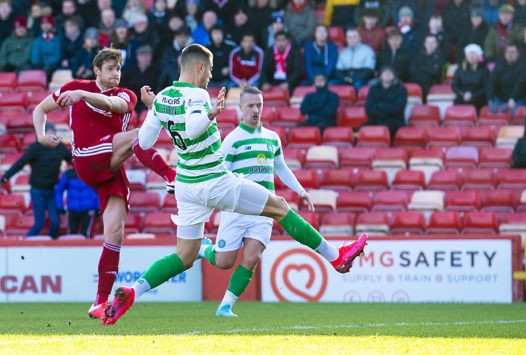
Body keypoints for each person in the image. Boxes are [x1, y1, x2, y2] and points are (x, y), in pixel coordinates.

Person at [102, 44, 367, 325]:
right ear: (200, 67)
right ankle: (336, 257)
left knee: (184, 255)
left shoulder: (164, 97)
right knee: (279, 206)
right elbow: (192, 130)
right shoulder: (198, 95)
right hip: (214, 180)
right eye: (210, 70)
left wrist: (157, 108)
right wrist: (210, 114)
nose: (210, 76)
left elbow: (143, 143)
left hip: (186, 186)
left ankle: (133, 291)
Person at [32, 48, 177, 320]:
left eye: (118, 69)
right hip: (87, 158)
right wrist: (41, 135)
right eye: (110, 68)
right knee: (138, 135)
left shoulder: (126, 94)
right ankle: (170, 175)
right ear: (97, 70)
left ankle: (99, 301)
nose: (115, 74)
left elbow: (114, 106)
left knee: (115, 235)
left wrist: (83, 96)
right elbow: (41, 109)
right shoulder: (75, 87)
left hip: (110, 166)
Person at [197, 87, 318, 317]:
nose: (255, 110)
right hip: (237, 209)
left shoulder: (272, 138)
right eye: (251, 105)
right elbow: (220, 175)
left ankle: (225, 306)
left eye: (259, 105)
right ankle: (204, 249)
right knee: (224, 261)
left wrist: (300, 190)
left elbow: (281, 167)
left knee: (251, 258)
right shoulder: (232, 140)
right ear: (240, 108)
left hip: (264, 211)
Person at [0, 123, 72, 239]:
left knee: (55, 222)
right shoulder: (35, 148)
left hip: (52, 191)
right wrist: (4, 178)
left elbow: (74, 161)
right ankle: (24, 244)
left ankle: (49, 245)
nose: (50, 136)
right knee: (39, 223)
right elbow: (20, 164)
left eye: (52, 133)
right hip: (37, 191)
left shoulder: (60, 148)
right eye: (47, 133)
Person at [55, 165, 100, 235]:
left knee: (85, 234)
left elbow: (98, 190)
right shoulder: (69, 174)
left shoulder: (92, 172)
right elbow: (59, 190)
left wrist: (98, 207)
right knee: (72, 234)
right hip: (73, 209)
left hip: (87, 209)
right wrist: (60, 206)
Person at [365, 66, 407, 138]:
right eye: (385, 72)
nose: (387, 74)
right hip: (376, 120)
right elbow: (369, 109)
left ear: (394, 75)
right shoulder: (373, 89)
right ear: (380, 75)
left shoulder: (401, 90)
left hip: (395, 122)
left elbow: (398, 109)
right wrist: (387, 107)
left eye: (390, 72)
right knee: (362, 130)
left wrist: (380, 106)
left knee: (385, 129)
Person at [486, 44, 525, 114]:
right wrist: (490, 97)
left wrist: (513, 98)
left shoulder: (523, 67)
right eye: (508, 52)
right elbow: (491, 82)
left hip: (517, 99)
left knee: (513, 113)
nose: (510, 54)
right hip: (500, 98)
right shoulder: (499, 65)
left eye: (513, 52)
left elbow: (520, 85)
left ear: (518, 54)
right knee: (492, 111)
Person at [120, 45, 159, 113]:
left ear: (151, 57)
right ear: (137, 57)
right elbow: (124, 89)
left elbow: (157, 90)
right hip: (131, 104)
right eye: (142, 55)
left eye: (147, 55)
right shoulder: (129, 72)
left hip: (149, 106)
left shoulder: (156, 72)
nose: (145, 58)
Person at [452, 43, 488, 111]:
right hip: (462, 97)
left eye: (474, 54)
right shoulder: (460, 69)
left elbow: (486, 87)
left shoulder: (484, 70)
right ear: (466, 56)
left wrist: (473, 95)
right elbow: (454, 85)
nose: (471, 56)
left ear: (478, 56)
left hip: (479, 99)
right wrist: (462, 94)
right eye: (469, 54)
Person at [409, 35, 445, 99]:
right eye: (428, 42)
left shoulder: (440, 56)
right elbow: (412, 70)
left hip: (432, 83)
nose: (430, 45)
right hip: (418, 82)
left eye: (433, 42)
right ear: (424, 44)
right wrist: (428, 69)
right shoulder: (418, 55)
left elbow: (436, 72)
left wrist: (421, 67)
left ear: (437, 44)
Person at [159, 27, 192, 91]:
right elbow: (162, 79)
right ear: (176, 37)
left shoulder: (193, 51)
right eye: (180, 36)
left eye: (185, 36)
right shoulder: (168, 52)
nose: (182, 39)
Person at [207, 25, 235, 89]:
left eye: (219, 33)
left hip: (227, 81)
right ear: (211, 35)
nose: (217, 36)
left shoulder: (231, 47)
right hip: (211, 81)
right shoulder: (206, 48)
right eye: (215, 33)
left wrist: (229, 69)